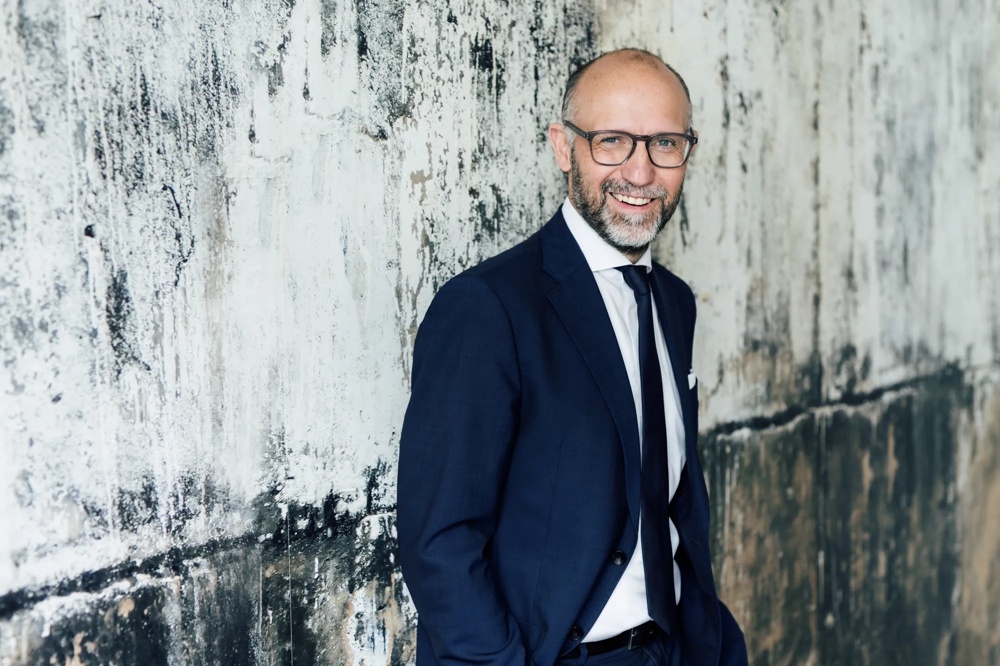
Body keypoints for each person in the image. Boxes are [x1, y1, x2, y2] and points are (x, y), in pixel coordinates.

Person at [397, 48, 748, 666]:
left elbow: (670, 504)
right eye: (612, 141)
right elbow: (440, 544)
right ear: (564, 147)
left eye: (665, 144)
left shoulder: (673, 302)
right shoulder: (487, 308)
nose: (640, 171)